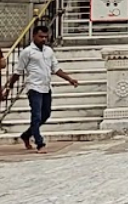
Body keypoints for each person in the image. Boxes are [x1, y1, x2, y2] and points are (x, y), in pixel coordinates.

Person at [1, 25, 79, 153]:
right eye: (40, 36)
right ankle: (39, 143)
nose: (43, 39)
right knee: (36, 115)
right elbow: (18, 72)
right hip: (34, 87)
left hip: (46, 87)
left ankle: (26, 135)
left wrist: (69, 79)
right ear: (34, 36)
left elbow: (56, 68)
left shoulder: (48, 51)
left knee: (46, 114)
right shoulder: (27, 52)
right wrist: (9, 87)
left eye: (45, 37)